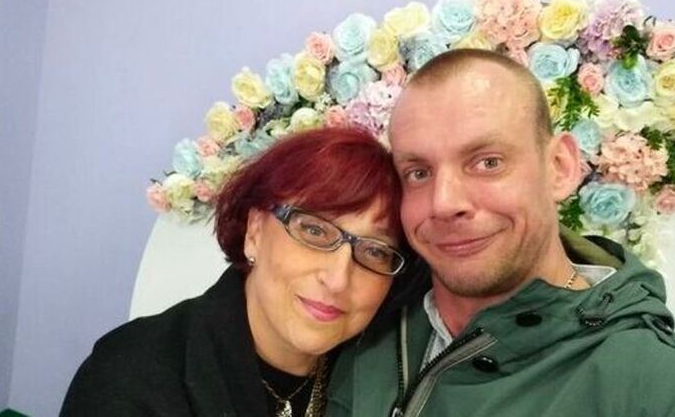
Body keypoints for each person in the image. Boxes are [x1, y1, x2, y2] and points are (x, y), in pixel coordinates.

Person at [326, 49, 675, 416]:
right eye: (418, 172)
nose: (444, 202)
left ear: (560, 168)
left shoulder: (672, 397)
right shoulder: (363, 325)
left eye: (487, 162)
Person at [60, 127, 419, 416]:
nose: (338, 279)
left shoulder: (376, 377)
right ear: (255, 231)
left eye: (374, 250)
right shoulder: (132, 376)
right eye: (313, 230)